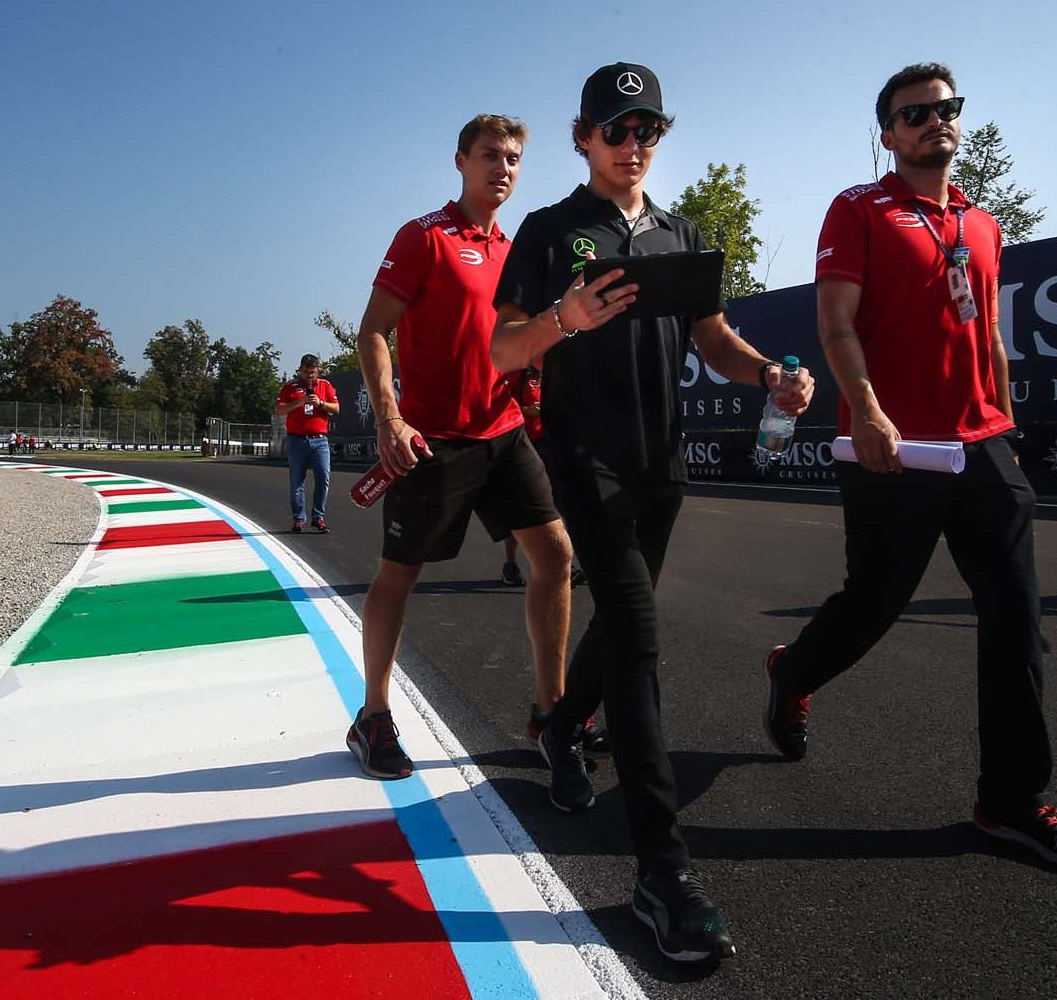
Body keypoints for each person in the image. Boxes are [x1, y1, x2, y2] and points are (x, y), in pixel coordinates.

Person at [492, 62, 812, 964]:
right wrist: (565, 320)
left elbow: (713, 337)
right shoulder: (551, 230)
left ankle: (558, 730)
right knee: (636, 637)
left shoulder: (680, 233)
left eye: (649, 131)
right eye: (617, 130)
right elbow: (501, 344)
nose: (634, 146)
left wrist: (770, 375)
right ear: (583, 136)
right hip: (583, 458)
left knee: (622, 626)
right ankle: (661, 874)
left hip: (660, 464)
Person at [764, 62, 1057, 874]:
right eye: (914, 114)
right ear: (887, 133)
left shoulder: (982, 225)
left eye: (946, 109)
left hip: (982, 445)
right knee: (874, 605)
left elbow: (987, 329)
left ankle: (1010, 802)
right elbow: (835, 325)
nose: (933, 122)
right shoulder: (859, 209)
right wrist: (871, 411)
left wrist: (1004, 423)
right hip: (894, 449)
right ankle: (793, 670)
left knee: (1016, 618)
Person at [347, 114, 577, 794]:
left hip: (503, 430)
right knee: (399, 577)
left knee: (556, 556)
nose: (502, 168)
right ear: (460, 161)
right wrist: (390, 418)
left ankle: (548, 713)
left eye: (513, 158)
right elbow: (371, 332)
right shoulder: (424, 237)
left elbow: (525, 340)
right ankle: (373, 714)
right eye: (489, 155)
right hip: (432, 438)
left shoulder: (517, 249)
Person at [500, 365, 587, 590]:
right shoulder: (516, 372)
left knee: (557, 506)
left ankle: (562, 563)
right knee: (521, 507)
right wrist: (525, 409)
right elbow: (499, 404)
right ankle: (510, 563)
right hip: (522, 444)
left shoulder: (556, 371)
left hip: (552, 444)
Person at [275, 354, 339, 532]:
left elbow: (336, 408)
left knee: (323, 478)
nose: (309, 376)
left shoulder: (324, 385)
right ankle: (298, 518)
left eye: (312, 372)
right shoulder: (290, 387)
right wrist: (300, 401)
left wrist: (320, 403)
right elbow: (279, 410)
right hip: (296, 440)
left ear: (317, 370)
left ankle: (318, 517)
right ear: (300, 370)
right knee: (297, 482)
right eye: (306, 372)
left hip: (320, 440)